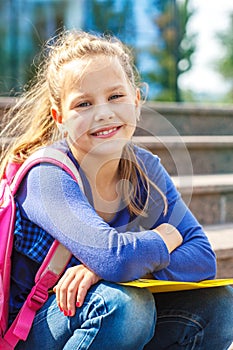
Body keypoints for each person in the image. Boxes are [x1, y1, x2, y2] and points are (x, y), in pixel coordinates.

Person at [1, 30, 233, 350]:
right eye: (83, 103)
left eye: (115, 96)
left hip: (96, 316)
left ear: (136, 101)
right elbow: (116, 259)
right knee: (123, 306)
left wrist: (101, 271)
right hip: (35, 331)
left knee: (220, 304)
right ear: (60, 118)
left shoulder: (145, 168)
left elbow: (203, 259)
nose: (103, 113)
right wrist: (164, 238)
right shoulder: (46, 176)